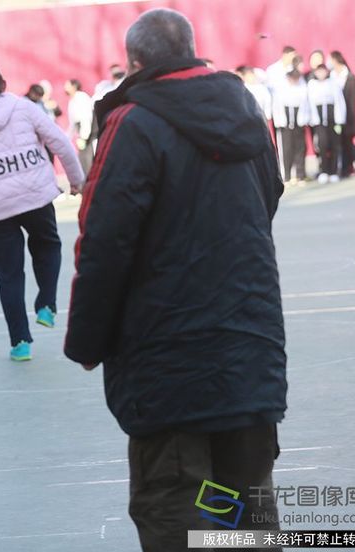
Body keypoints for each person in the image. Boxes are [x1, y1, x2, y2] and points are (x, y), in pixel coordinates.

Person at [64, 9, 286, 551]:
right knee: (245, 511)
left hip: (168, 360)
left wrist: (87, 341)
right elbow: (269, 198)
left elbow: (104, 240)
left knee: (174, 511)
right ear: (190, 49)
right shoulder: (247, 113)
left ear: (135, 63)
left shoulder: (134, 122)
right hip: (250, 348)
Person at [0, 64, 85, 361]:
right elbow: (59, 142)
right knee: (48, 246)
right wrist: (77, 181)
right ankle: (47, 305)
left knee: (9, 276)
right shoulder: (23, 107)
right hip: (35, 195)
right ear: (3, 83)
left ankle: (20, 342)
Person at [329, 51, 355, 177]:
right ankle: (348, 167)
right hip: (337, 116)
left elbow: (352, 99)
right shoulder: (332, 76)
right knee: (344, 143)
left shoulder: (349, 77)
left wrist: (347, 117)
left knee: (348, 142)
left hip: (348, 116)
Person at [308, 64, 346, 184]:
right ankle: (325, 171)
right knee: (322, 145)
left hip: (332, 119)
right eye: (318, 71)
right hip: (319, 120)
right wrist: (313, 119)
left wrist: (339, 120)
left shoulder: (333, 83)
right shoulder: (312, 85)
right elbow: (310, 102)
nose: (321, 74)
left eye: (323, 71)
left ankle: (334, 171)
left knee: (335, 145)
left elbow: (339, 102)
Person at [271, 69, 310, 183]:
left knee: (300, 148)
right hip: (285, 121)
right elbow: (277, 106)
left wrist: (305, 120)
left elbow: (306, 105)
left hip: (299, 121)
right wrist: (279, 121)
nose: (294, 80)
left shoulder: (302, 88)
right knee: (286, 149)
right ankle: (286, 175)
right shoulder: (281, 89)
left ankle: (300, 174)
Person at [65, 79, 95, 173]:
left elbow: (86, 117)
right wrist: (67, 138)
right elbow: (73, 123)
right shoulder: (72, 100)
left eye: (67, 85)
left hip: (86, 131)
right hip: (80, 131)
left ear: (74, 86)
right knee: (82, 159)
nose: (65, 87)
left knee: (86, 158)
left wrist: (84, 136)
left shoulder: (81, 98)